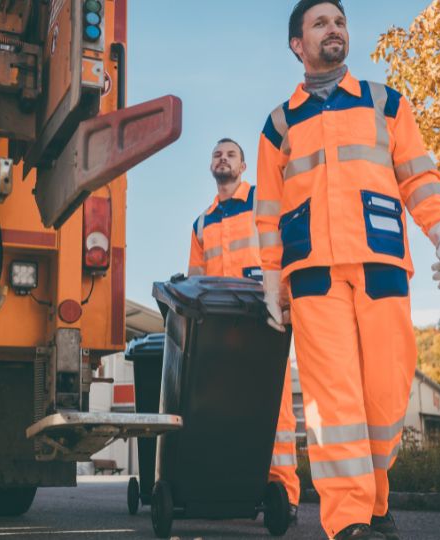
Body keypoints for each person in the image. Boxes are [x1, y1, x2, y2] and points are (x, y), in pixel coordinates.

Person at [254, 1, 440, 539]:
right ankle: (348, 519)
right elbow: (269, 214)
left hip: (381, 266)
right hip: (313, 277)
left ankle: (374, 499)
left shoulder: (386, 103)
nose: (335, 29)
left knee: (385, 396)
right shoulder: (278, 124)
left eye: (341, 21)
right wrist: (270, 280)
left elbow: (418, 176)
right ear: (297, 45)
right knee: (333, 403)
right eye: (321, 23)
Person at [189, 138, 301, 525]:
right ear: (211, 165)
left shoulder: (263, 204)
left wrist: (286, 300)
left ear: (244, 166)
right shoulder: (202, 222)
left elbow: (287, 249)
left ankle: (282, 493)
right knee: (224, 407)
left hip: (263, 316)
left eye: (230, 154)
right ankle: (229, 488)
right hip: (220, 327)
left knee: (277, 408)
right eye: (217, 154)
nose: (223, 159)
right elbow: (195, 279)